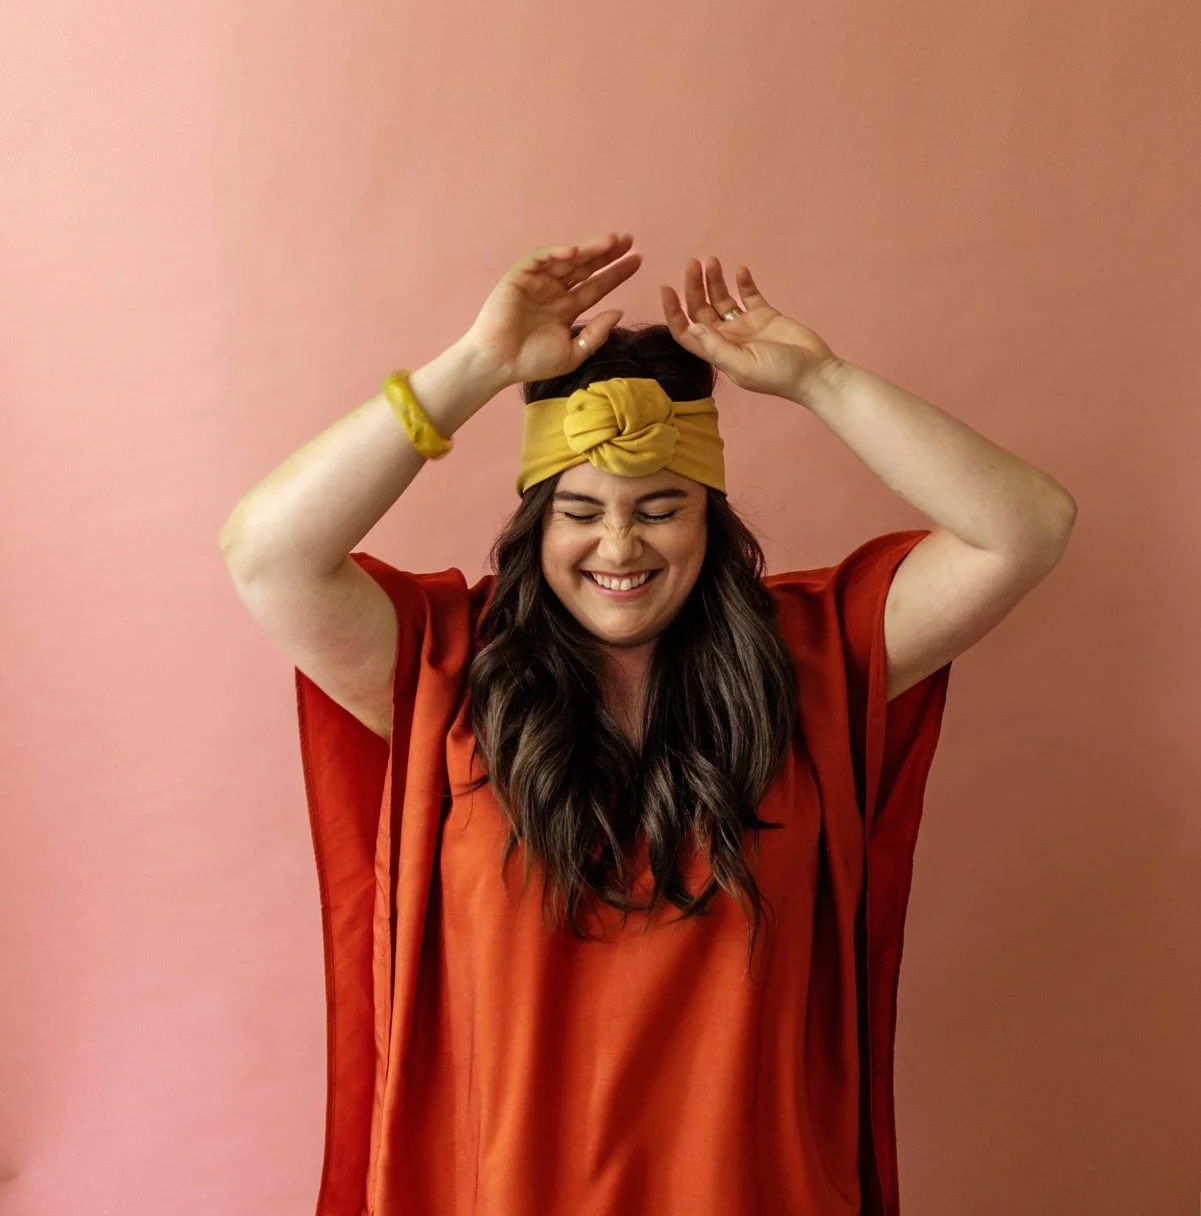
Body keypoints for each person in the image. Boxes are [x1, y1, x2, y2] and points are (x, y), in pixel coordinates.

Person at [219, 232, 1076, 1216]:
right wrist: (475, 370)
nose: (618, 544)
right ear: (536, 523)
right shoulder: (449, 674)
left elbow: (1027, 527)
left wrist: (822, 380)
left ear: (709, 517)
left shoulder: (813, 666)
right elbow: (266, 553)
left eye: (659, 506)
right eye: (579, 510)